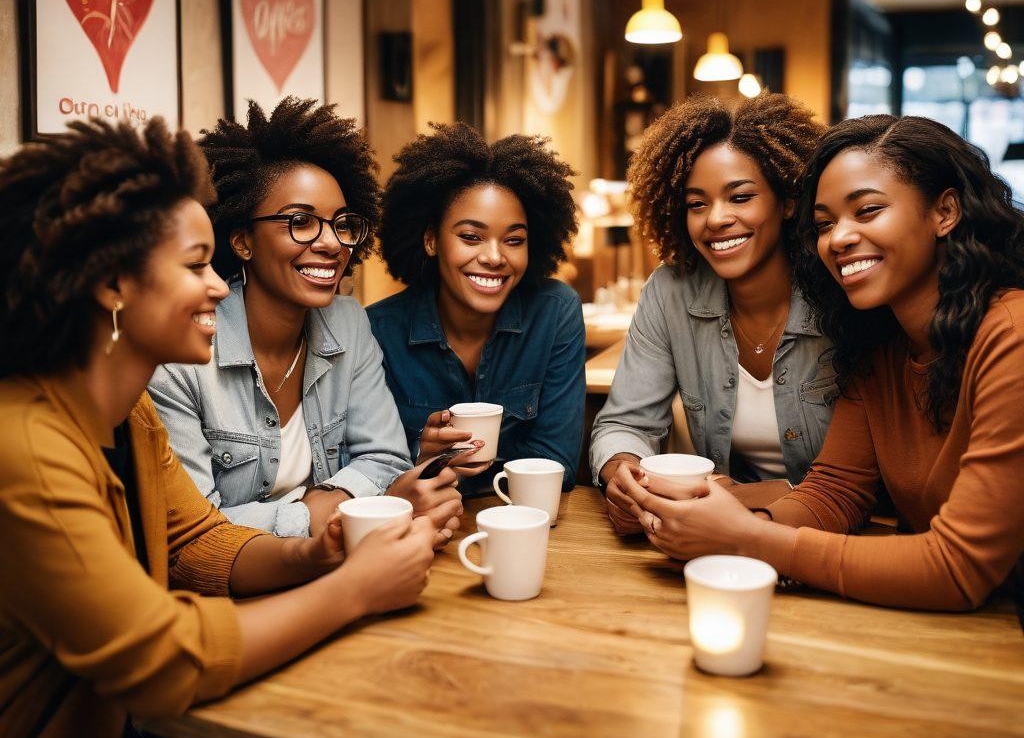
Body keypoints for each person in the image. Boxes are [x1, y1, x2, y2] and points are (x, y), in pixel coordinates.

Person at [0, 118, 436, 738]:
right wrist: (352, 589)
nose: (217, 289)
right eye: (196, 264)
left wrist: (315, 553)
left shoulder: (129, 417)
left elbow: (199, 543)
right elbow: (161, 662)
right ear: (113, 283)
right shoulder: (25, 448)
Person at [622, 115, 1024, 611]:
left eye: (868, 211)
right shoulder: (880, 342)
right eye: (825, 224)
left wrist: (750, 538)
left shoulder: (1012, 335)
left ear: (945, 212)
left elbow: (956, 567)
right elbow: (835, 492)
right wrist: (735, 528)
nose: (839, 239)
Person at [149, 99, 464, 541]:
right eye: (300, 222)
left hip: (339, 563)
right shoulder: (182, 354)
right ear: (242, 241)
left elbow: (386, 458)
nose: (332, 243)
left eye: (341, 224)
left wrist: (324, 510)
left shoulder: (348, 323)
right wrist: (317, 514)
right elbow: (197, 529)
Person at [591, 93, 829, 536]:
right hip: (715, 533)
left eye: (740, 197)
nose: (715, 219)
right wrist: (623, 473)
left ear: (790, 200)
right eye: (697, 204)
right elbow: (626, 422)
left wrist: (766, 495)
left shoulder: (837, 292)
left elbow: (866, 480)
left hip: (833, 535)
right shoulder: (671, 291)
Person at [367, 123, 585, 493]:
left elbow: (558, 464)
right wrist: (422, 454)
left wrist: (428, 470)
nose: (495, 257)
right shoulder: (377, 330)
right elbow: (365, 467)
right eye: (471, 237)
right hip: (424, 529)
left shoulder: (555, 312)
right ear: (432, 240)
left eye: (513, 240)